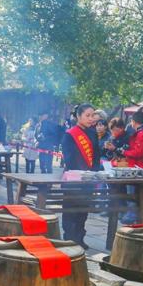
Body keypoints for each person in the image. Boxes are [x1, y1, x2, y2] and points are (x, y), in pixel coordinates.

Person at [60, 103, 101, 248]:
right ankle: (69, 238)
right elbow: (69, 159)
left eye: (92, 115)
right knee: (71, 210)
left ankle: (79, 238)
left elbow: (96, 156)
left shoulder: (92, 132)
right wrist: (81, 173)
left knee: (83, 211)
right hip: (74, 180)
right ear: (78, 116)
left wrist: (95, 173)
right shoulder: (70, 134)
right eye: (87, 116)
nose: (91, 119)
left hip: (88, 180)